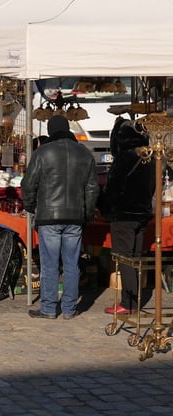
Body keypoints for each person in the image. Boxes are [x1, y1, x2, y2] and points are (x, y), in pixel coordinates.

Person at [22, 115, 98, 320]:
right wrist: (87, 215)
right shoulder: (84, 153)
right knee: (72, 264)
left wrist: (31, 207)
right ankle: (69, 309)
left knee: (50, 264)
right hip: (75, 217)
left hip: (48, 217)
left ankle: (48, 307)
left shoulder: (42, 152)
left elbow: (28, 185)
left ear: (51, 130)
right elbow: (92, 189)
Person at [98, 118, 154, 315]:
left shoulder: (124, 158)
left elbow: (113, 189)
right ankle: (134, 301)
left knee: (125, 259)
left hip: (124, 216)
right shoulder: (149, 157)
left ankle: (128, 303)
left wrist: (104, 207)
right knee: (136, 258)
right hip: (142, 215)